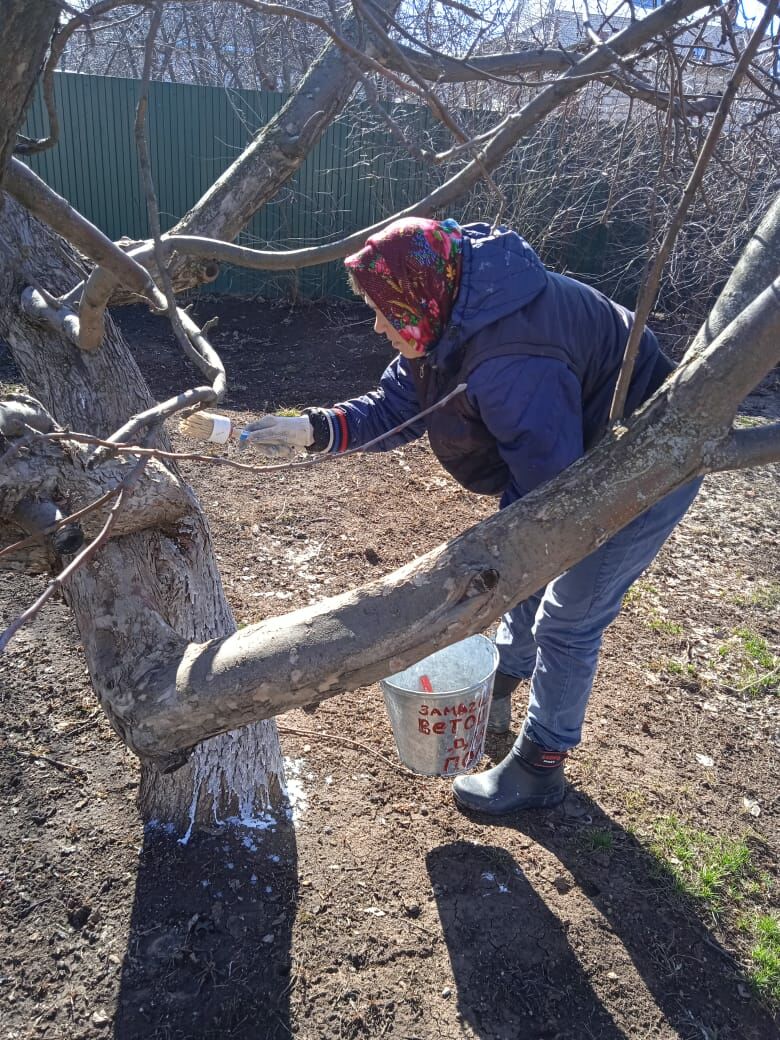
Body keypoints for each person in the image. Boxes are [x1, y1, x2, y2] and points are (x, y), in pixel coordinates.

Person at [184, 217, 700, 815]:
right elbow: (396, 406)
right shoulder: (448, 306)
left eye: (384, 311)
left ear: (416, 297)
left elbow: (546, 504)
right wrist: (312, 429)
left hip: (648, 457)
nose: (378, 325)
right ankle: (505, 675)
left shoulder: (509, 358)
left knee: (570, 613)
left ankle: (541, 765)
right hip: (576, 445)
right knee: (530, 566)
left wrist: (485, 560)